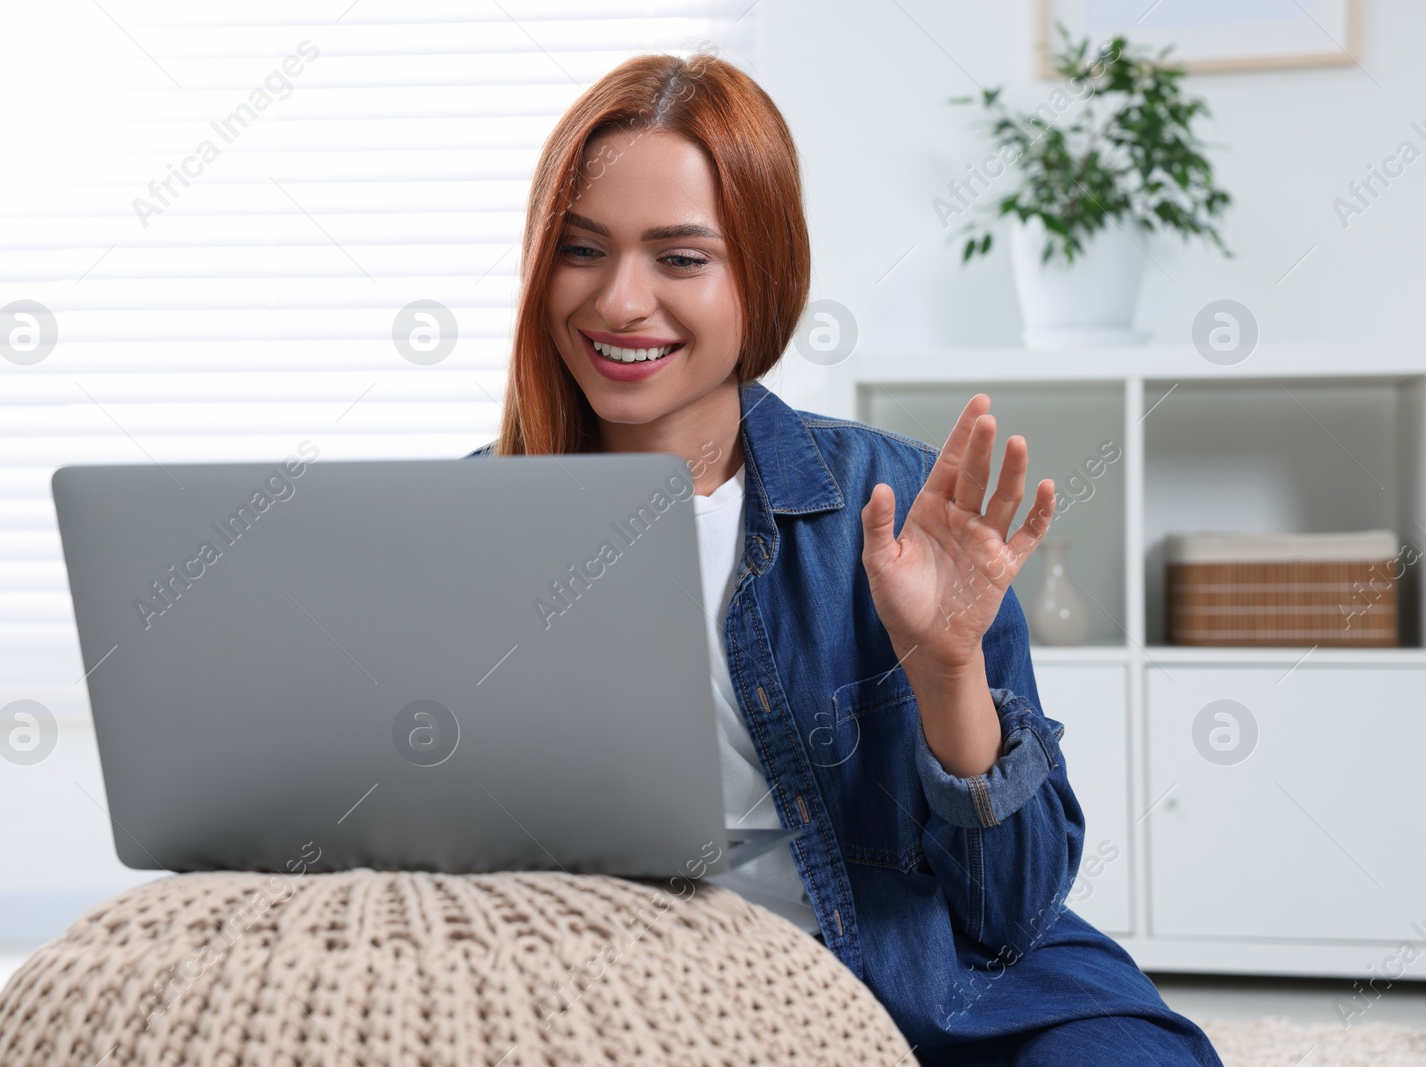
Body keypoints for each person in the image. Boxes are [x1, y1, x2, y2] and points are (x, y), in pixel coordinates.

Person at [467, 49, 1222, 1067]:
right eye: (582, 248)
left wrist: (949, 669)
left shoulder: (902, 504)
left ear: (762, 274)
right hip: (618, 984)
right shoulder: (466, 519)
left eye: (680, 259)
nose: (618, 300)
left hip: (921, 966)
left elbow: (1012, 908)